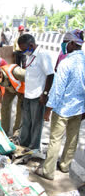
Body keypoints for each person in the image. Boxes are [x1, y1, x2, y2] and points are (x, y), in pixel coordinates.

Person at [35, 30, 85, 180]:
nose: (63, 45)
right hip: (78, 109)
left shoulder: (66, 63)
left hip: (62, 109)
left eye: (64, 42)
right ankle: (64, 165)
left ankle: (48, 171)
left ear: (71, 44)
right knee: (72, 138)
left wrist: (47, 111)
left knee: (55, 139)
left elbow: (57, 90)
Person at [18, 34, 54, 150]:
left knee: (36, 124)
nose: (23, 52)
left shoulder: (42, 55)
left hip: (38, 96)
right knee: (26, 121)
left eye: (24, 50)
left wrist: (44, 94)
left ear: (31, 45)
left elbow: (50, 75)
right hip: (28, 94)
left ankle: (33, 148)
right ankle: (23, 144)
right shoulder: (30, 55)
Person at [0, 65, 25, 136]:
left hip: (22, 91)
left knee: (20, 110)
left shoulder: (15, 72)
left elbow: (31, 78)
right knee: (4, 106)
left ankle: (16, 133)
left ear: (0, 73)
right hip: (10, 89)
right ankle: (5, 131)